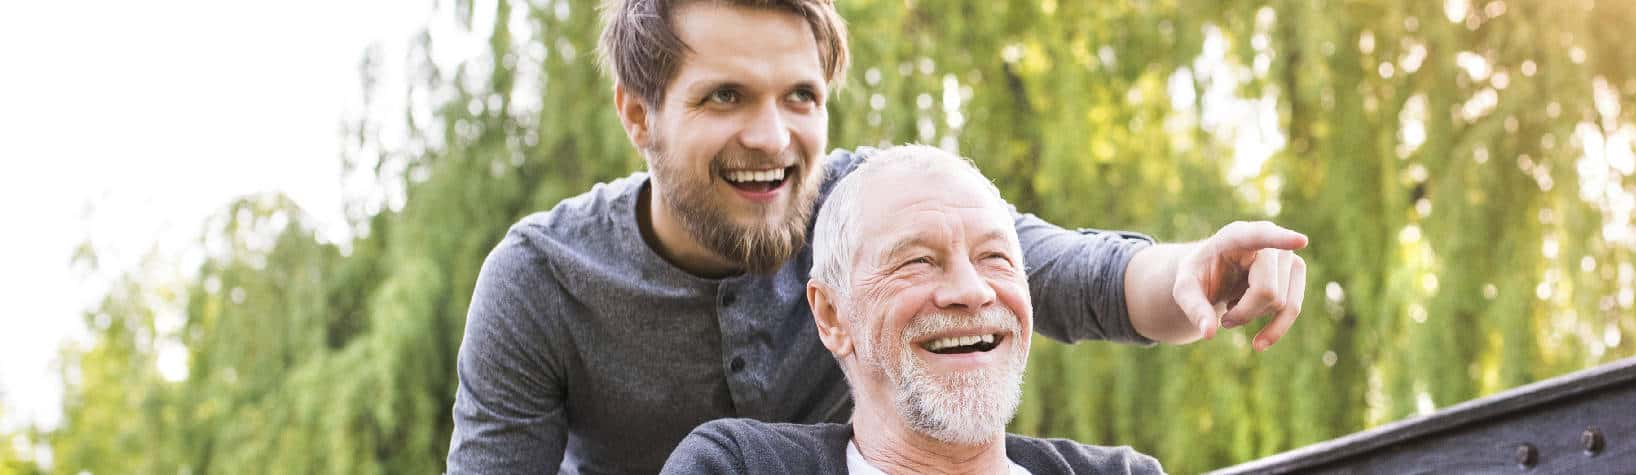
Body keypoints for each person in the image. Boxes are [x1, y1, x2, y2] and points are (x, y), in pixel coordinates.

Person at [447, 0, 1310, 472]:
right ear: (639, 114)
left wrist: (1199, 269)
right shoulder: (541, 280)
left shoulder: (869, 209)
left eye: (799, 97)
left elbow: (1064, 271)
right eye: (724, 97)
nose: (772, 137)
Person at [662, 145, 1164, 474]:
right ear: (833, 316)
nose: (971, 291)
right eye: (918, 261)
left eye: (994, 258)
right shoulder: (737, 467)